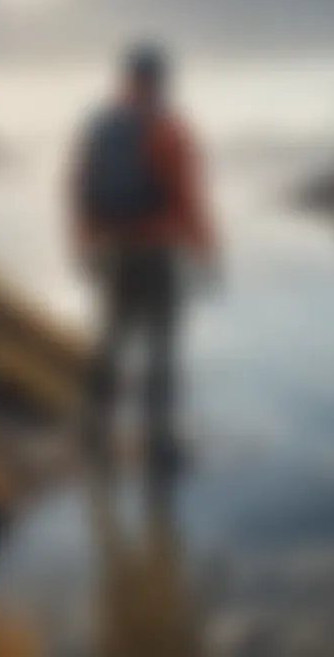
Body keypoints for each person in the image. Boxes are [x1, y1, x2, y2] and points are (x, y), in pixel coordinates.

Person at [69, 44, 217, 480]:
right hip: (157, 251)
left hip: (111, 247)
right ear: (161, 79)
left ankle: (92, 432)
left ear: (125, 77)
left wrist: (85, 246)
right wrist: (205, 253)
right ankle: (160, 443)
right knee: (162, 346)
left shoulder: (99, 126)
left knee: (110, 339)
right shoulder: (168, 128)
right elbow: (189, 197)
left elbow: (78, 190)